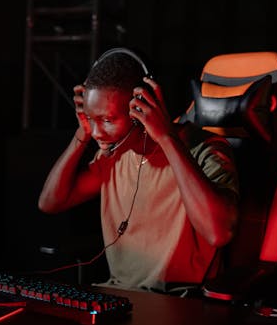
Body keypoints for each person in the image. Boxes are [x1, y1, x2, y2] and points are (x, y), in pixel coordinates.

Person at [38, 49, 239, 292]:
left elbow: (218, 233)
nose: (98, 133)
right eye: (92, 119)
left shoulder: (205, 150)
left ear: (140, 107)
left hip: (177, 304)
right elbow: (50, 203)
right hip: (118, 296)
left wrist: (165, 137)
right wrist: (83, 132)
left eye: (108, 120)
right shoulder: (113, 155)